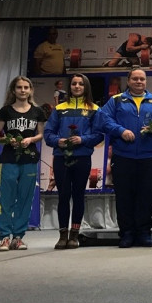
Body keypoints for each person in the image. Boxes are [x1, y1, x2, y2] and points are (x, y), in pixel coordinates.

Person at [100, 68, 152, 248]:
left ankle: (144, 233)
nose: (139, 81)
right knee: (124, 196)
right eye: (135, 79)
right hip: (122, 156)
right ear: (128, 81)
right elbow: (104, 120)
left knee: (146, 196)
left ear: (146, 81)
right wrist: (120, 131)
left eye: (142, 79)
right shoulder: (116, 100)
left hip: (149, 157)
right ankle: (126, 234)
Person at [44, 73, 104, 249]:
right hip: (61, 158)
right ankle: (62, 235)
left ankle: (74, 235)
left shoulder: (95, 109)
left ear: (86, 87)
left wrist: (82, 139)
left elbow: (99, 135)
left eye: (81, 84)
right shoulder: (59, 108)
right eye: (74, 84)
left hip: (82, 158)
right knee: (63, 196)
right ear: (69, 87)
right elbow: (48, 133)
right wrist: (58, 141)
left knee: (78, 195)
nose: (77, 86)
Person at [0, 76, 46, 251]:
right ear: (13, 90)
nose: (23, 90)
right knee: (6, 198)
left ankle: (18, 237)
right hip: (8, 159)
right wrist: (8, 140)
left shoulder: (37, 111)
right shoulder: (5, 111)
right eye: (19, 87)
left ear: (31, 90)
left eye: (26, 87)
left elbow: (41, 134)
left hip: (29, 158)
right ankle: (4, 237)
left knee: (25, 198)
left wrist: (31, 139)